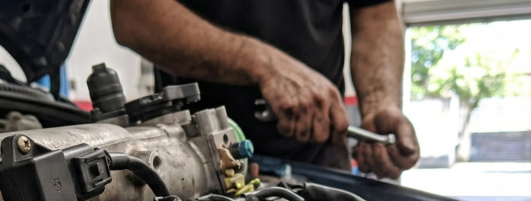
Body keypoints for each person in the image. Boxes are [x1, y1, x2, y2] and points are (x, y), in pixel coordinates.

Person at [111, 0, 420, 178]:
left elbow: (376, 14)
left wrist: (381, 105)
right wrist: (264, 65)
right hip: (194, 162)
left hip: (319, 162)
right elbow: (133, 13)